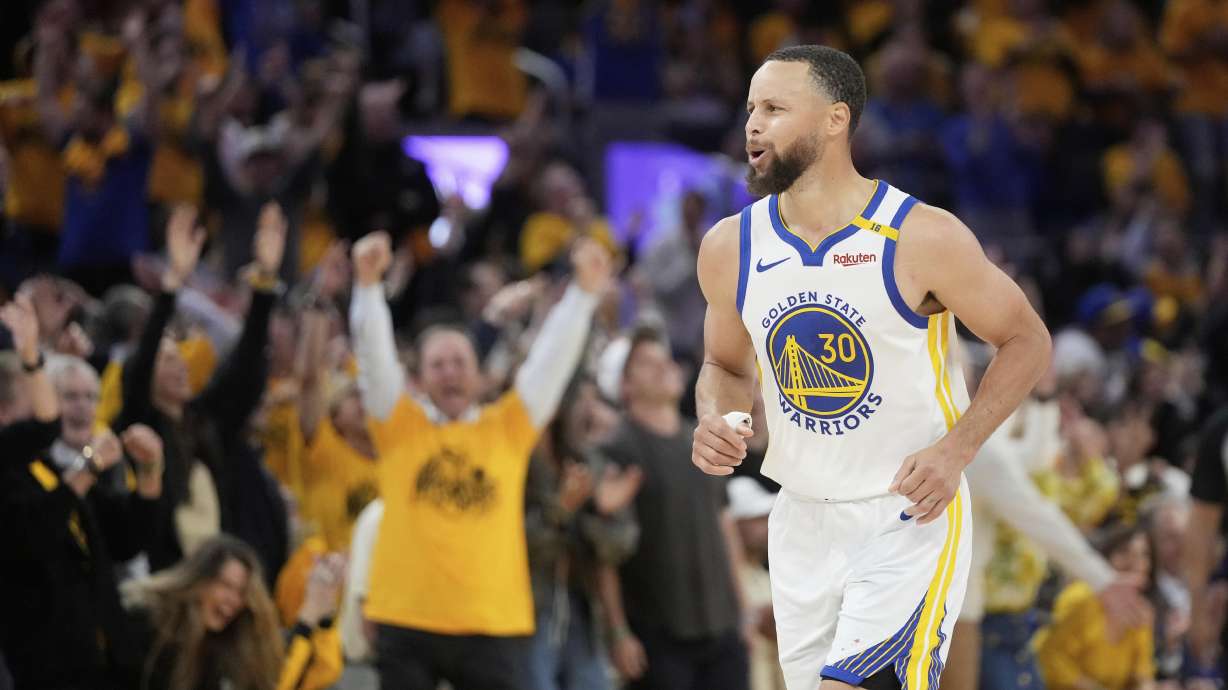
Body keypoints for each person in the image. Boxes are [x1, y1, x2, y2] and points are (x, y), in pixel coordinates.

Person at [691, 45, 1051, 690]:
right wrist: (717, 417)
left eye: (774, 109)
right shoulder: (730, 247)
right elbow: (723, 362)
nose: (752, 125)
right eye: (750, 109)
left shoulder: (921, 236)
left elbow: (1026, 340)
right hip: (800, 516)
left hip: (905, 515)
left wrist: (956, 449)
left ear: (835, 120)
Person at [348, 231, 613, 690]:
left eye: (459, 362)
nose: (450, 372)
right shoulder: (399, 426)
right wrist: (368, 288)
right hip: (406, 617)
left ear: (478, 372)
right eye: (438, 364)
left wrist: (583, 297)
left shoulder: (507, 428)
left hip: (492, 621)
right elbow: (374, 361)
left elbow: (548, 365)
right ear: (419, 377)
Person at [114, 203, 288, 575]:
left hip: (215, 573)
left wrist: (264, 285)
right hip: (164, 577)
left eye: (179, 359)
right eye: (166, 360)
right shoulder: (138, 424)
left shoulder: (205, 420)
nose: (178, 366)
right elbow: (141, 364)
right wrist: (172, 283)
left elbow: (246, 370)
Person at [0, 354, 165, 690]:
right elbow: (31, 538)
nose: (80, 409)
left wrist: (150, 473)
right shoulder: (17, 474)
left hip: (103, 660)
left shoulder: (48, 468)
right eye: (68, 398)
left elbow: (126, 541)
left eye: (91, 397)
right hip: (43, 668)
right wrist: (87, 470)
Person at [599, 327, 750, 690]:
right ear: (623, 385)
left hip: (723, 627)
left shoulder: (699, 437)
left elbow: (724, 524)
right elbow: (604, 553)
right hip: (658, 637)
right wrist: (618, 632)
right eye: (645, 363)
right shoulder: (618, 447)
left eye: (662, 357)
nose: (664, 365)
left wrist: (742, 610)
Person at [122, 534, 343, 690]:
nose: (233, 600)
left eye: (241, 592)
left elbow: (310, 677)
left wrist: (321, 616)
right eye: (225, 585)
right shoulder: (149, 623)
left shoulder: (228, 642)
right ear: (197, 580)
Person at [1033, 524, 1157, 690]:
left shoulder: (1142, 610)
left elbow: (1142, 673)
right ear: (1105, 558)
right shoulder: (1079, 597)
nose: (1135, 561)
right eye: (1124, 552)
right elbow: (1051, 660)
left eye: (1144, 555)